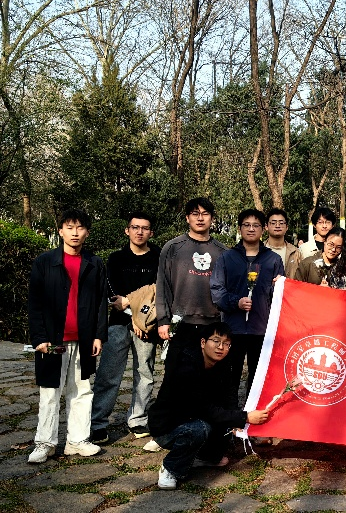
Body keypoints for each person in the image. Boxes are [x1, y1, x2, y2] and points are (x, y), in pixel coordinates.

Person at [27, 209, 107, 463]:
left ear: (87, 232)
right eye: (69, 227)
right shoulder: (45, 262)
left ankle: (77, 440)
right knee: (50, 392)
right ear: (60, 230)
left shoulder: (95, 263)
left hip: (83, 338)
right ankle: (45, 443)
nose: (75, 233)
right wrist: (39, 337)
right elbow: (34, 303)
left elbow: (101, 303)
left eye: (80, 227)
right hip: (53, 339)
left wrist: (98, 336)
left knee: (82, 390)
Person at [148, 322, 269, 490]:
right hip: (168, 426)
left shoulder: (222, 364)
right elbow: (203, 409)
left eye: (226, 344)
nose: (221, 347)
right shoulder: (186, 366)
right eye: (216, 341)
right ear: (203, 342)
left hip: (196, 417)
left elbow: (229, 393)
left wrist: (235, 418)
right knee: (200, 429)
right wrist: (244, 417)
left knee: (222, 441)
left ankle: (202, 457)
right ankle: (171, 468)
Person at [91, 212, 161, 444]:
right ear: (127, 230)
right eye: (135, 227)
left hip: (147, 325)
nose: (140, 232)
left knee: (145, 374)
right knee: (109, 374)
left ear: (151, 232)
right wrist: (134, 318)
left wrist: (140, 319)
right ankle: (98, 423)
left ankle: (138, 419)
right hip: (119, 323)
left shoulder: (159, 257)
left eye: (145, 228)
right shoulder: (116, 258)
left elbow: (157, 291)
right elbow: (115, 297)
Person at [210, 209, 284, 410]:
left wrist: (279, 287)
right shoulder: (227, 258)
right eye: (247, 225)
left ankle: (253, 414)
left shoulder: (273, 260)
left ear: (263, 229)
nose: (251, 229)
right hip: (233, 329)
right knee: (230, 374)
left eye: (256, 225)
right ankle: (229, 415)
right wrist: (236, 302)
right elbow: (217, 290)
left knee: (258, 375)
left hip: (261, 329)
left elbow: (279, 297)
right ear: (239, 228)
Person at [156, 197, 228, 371]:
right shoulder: (173, 247)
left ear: (212, 218)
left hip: (212, 324)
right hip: (180, 323)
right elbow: (163, 286)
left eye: (205, 214)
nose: (200, 218)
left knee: (209, 377)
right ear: (187, 218)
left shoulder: (223, 252)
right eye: (195, 214)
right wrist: (163, 320)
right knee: (176, 375)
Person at [264, 208, 301, 279]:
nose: (277, 226)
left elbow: (302, 279)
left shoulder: (296, 253)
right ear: (266, 227)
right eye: (273, 223)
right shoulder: (258, 251)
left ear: (287, 227)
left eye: (281, 223)